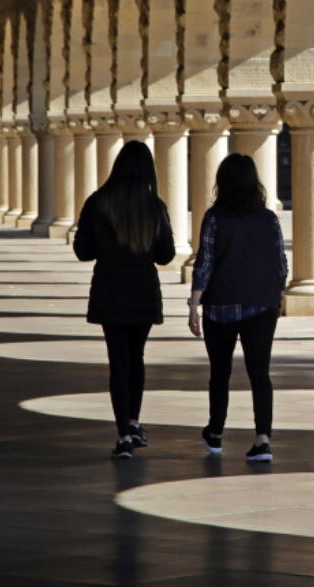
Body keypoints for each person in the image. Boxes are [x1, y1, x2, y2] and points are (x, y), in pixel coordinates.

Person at [72, 141, 175, 459]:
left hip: (110, 288)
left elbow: (83, 251)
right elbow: (166, 254)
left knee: (118, 361)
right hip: (142, 289)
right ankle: (134, 421)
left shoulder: (98, 202)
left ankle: (123, 433)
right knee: (137, 357)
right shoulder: (153, 205)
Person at [188, 153, 288, 463]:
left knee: (220, 373)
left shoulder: (215, 217)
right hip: (261, 304)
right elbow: (280, 264)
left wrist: (194, 304)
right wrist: (277, 295)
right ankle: (262, 439)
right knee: (260, 374)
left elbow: (205, 262)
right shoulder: (268, 218)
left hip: (221, 305)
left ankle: (216, 433)